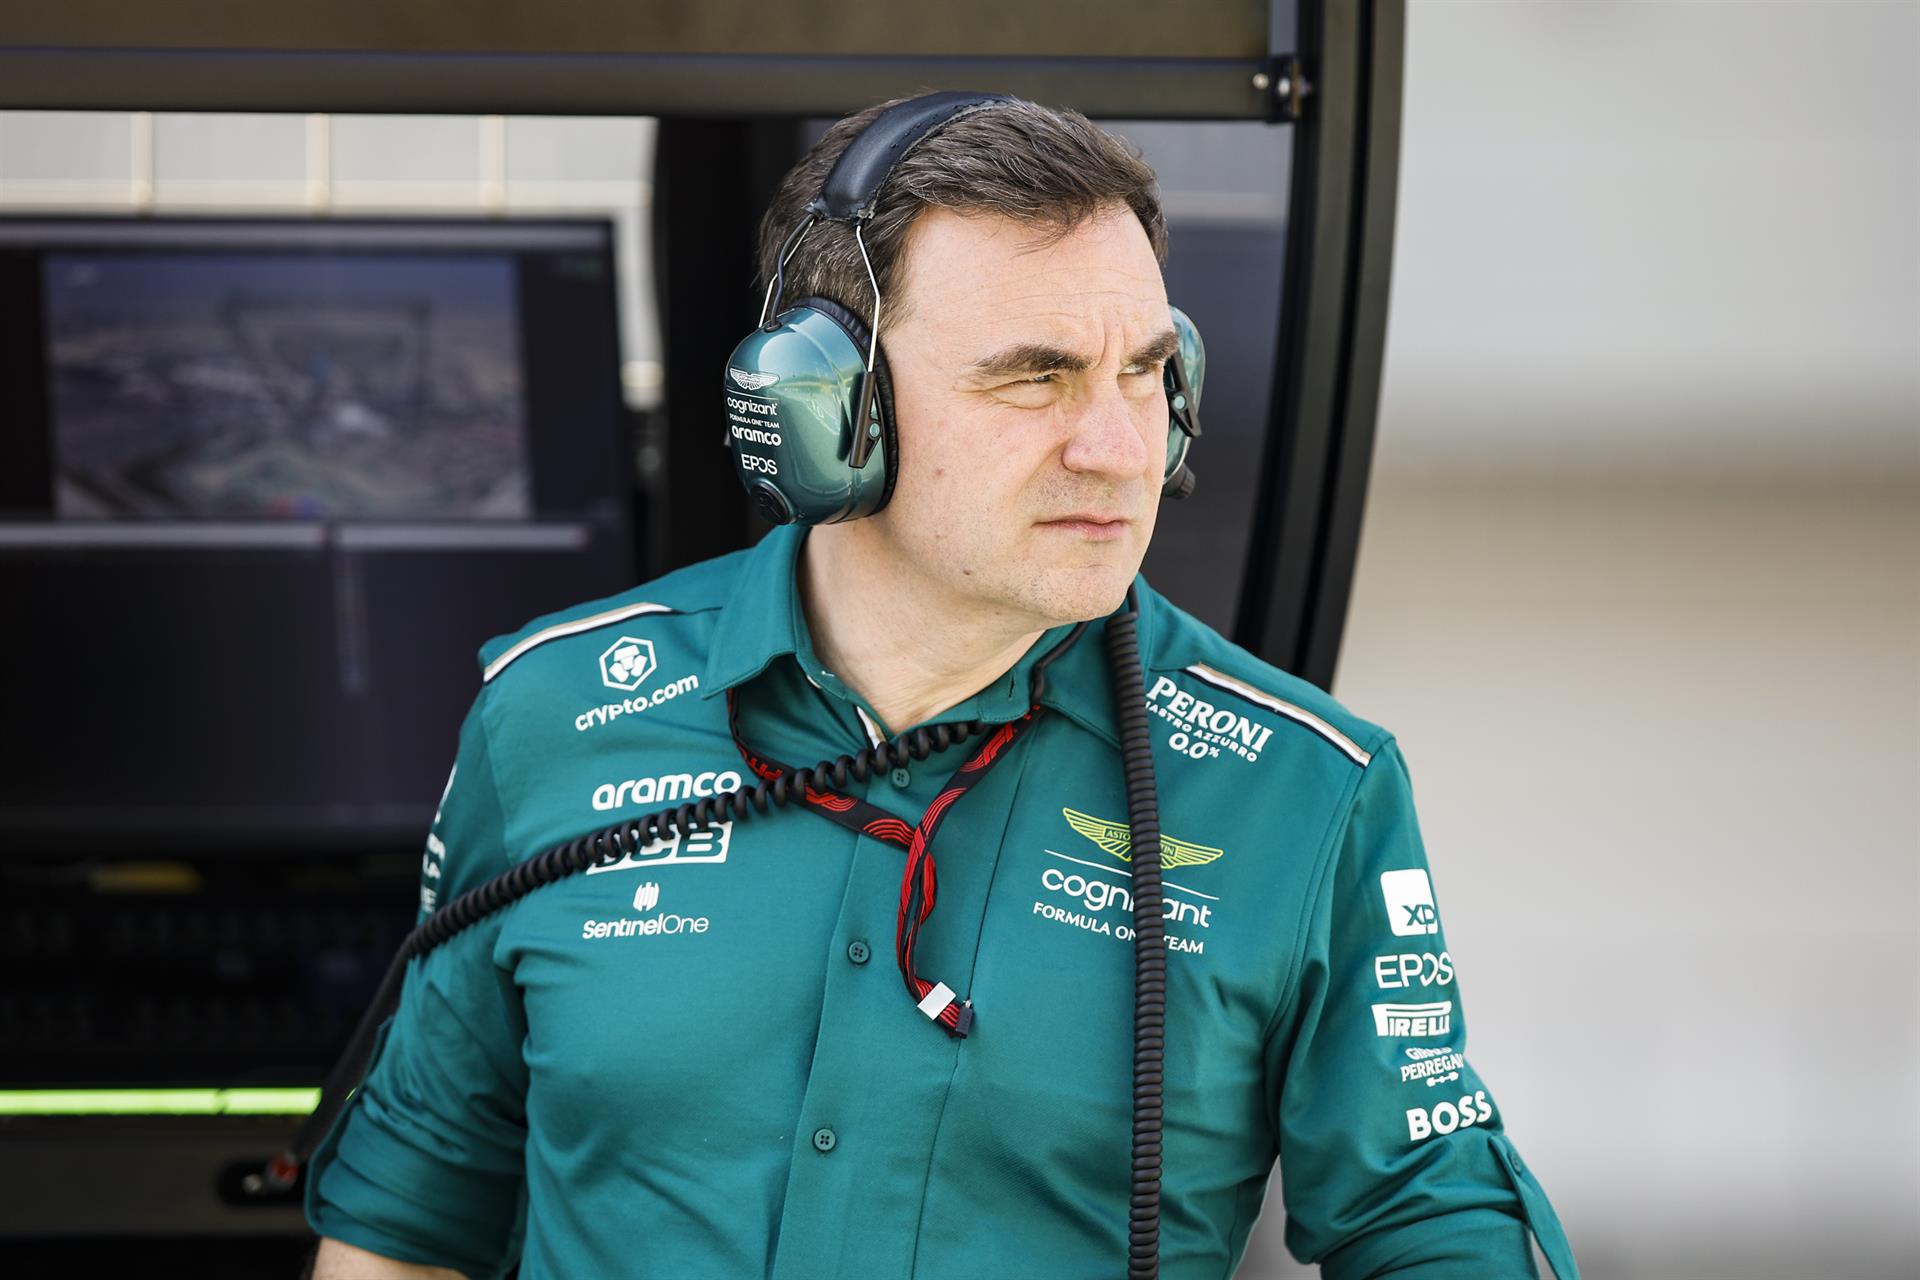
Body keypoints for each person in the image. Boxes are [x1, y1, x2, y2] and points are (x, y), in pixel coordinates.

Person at [304, 94, 1578, 1279]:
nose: (1120, 448)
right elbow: (410, 1213)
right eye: (1035, 374)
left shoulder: (1304, 790)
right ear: (827, 411)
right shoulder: (553, 711)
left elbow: (1434, 1222)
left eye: (1144, 370)